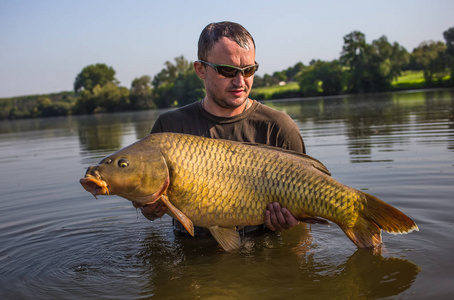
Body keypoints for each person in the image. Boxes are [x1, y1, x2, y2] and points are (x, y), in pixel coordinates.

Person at [135, 21, 305, 236]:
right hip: (192, 252)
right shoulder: (169, 129)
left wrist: (291, 224)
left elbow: (303, 226)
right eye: (227, 70)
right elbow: (152, 213)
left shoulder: (279, 127)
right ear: (200, 69)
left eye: (249, 70)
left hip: (263, 249)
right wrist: (150, 208)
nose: (240, 81)